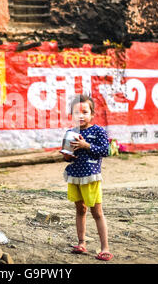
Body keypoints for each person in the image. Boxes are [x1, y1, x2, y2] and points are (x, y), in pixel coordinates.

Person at [61, 94, 113, 261]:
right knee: (80, 209)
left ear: (92, 114)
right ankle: (81, 243)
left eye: (85, 112)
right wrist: (68, 155)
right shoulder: (70, 132)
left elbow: (106, 151)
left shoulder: (98, 131)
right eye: (76, 112)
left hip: (91, 177)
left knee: (97, 212)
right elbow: (66, 157)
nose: (80, 116)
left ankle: (105, 247)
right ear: (72, 115)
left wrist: (86, 145)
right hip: (75, 176)